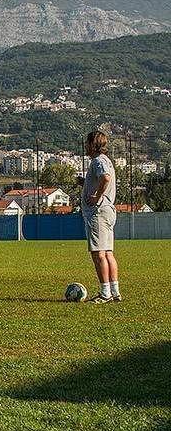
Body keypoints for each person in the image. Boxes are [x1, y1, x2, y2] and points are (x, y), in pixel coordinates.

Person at [82, 130, 120, 303]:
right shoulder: (106, 161)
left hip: (99, 212)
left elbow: (105, 177)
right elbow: (102, 179)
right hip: (107, 211)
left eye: (87, 143)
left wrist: (96, 196)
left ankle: (105, 293)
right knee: (108, 253)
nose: (85, 147)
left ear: (93, 144)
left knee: (98, 254)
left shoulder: (98, 161)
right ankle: (114, 291)